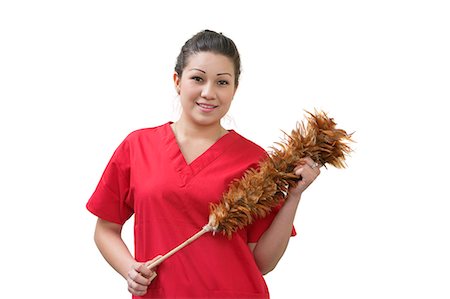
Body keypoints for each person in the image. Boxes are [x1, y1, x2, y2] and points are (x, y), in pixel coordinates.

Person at [87, 29, 321, 299]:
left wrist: (293, 197)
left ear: (235, 88)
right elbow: (106, 228)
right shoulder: (137, 147)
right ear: (177, 81)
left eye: (222, 82)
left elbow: (263, 263)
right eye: (198, 78)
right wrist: (130, 269)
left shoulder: (254, 160)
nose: (209, 92)